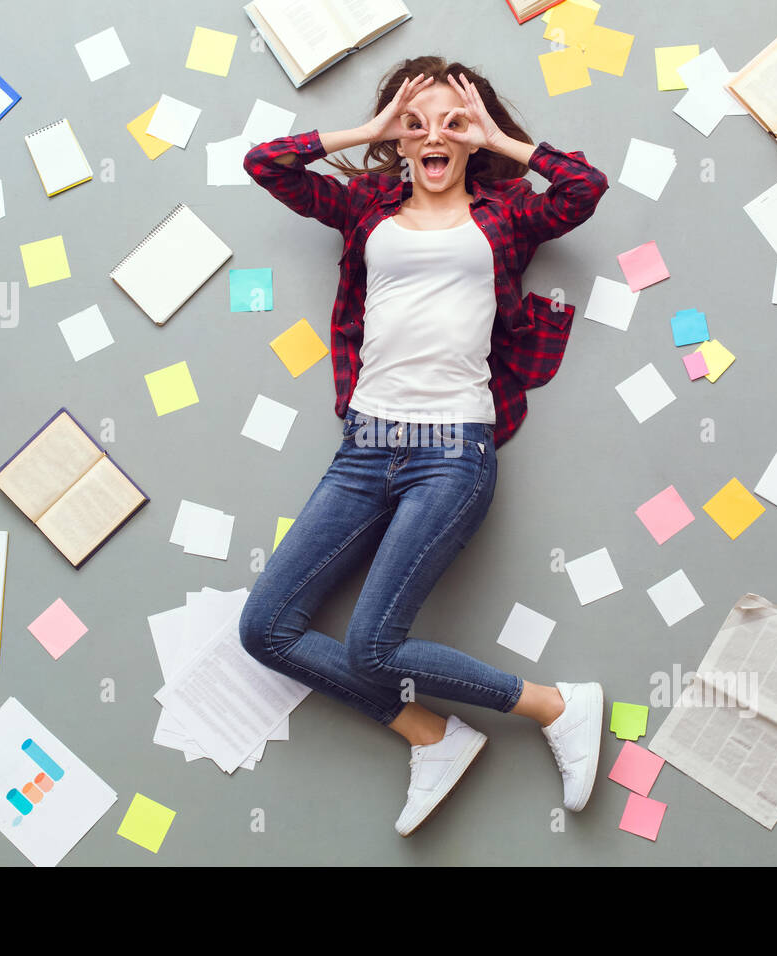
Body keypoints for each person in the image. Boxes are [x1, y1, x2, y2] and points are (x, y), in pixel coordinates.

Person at [239, 56, 610, 836]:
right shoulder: (365, 206)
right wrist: (370, 130)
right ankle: (432, 736)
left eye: (453, 121)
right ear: (398, 140)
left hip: (452, 451)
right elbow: (264, 163)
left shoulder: (507, 214)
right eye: (418, 121)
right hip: (365, 446)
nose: (434, 134)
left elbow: (583, 189)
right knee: (265, 628)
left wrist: (506, 144)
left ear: (474, 136)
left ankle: (555, 704)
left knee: (375, 646)